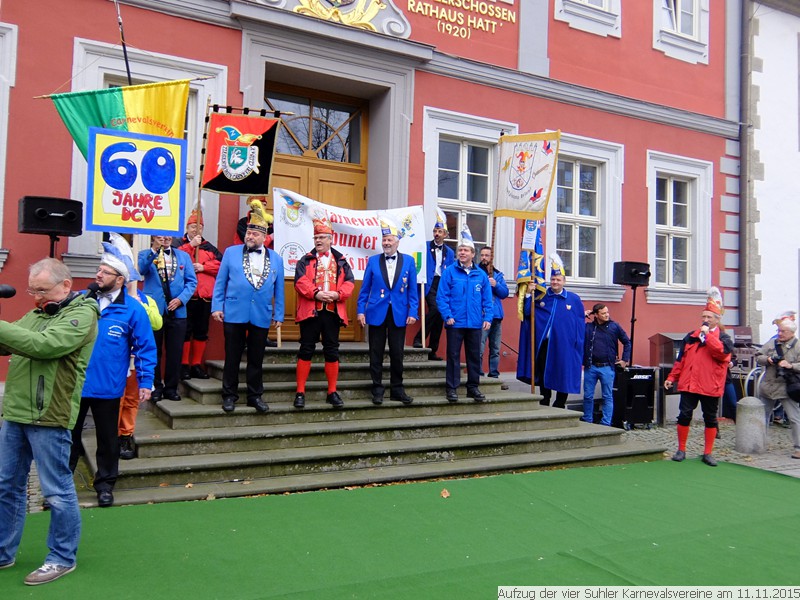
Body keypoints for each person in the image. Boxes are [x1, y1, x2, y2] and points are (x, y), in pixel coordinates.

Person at [0, 258, 98, 586]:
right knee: (6, 485)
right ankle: (3, 552)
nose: (36, 297)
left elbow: (44, 346)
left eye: (41, 290)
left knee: (56, 491)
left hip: (49, 414)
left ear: (66, 285)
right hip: (16, 411)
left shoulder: (82, 314)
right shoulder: (39, 312)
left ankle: (62, 557)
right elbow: (9, 341)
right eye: (32, 290)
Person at [69, 242, 157, 508]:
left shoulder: (133, 309)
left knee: (108, 440)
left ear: (120, 279)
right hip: (73, 384)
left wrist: (146, 381)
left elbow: (145, 347)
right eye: (99, 269)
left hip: (108, 387)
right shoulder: (80, 300)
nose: (98, 275)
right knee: (67, 439)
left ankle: (105, 485)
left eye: (105, 272)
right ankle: (61, 486)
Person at [212, 199, 285, 414]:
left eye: (254, 234)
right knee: (232, 357)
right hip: (234, 311)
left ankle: (255, 396)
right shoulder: (231, 252)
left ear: (264, 237)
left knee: (256, 358)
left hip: (261, 314)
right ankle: (229, 395)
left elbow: (279, 289)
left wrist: (279, 314)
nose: (249, 236)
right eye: (248, 233)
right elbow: (220, 282)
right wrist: (217, 306)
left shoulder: (277, 259)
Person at [664, 286, 732, 467]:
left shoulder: (724, 339)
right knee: (684, 415)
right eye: (704, 317)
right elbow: (680, 360)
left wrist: (708, 336)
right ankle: (681, 449)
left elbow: (720, 354)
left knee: (710, 419)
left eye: (709, 317)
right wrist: (672, 377)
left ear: (717, 319)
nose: (706, 320)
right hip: (689, 384)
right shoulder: (691, 337)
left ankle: (708, 453)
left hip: (710, 385)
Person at [293, 215, 355, 409]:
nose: (318, 241)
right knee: (306, 349)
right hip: (311, 311)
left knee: (332, 350)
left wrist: (338, 295)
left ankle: (332, 392)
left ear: (330, 239)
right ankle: (300, 392)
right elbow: (299, 281)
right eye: (316, 237)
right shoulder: (305, 260)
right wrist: (316, 294)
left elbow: (349, 282)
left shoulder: (342, 261)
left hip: (332, 312)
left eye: (321, 237)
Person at [357, 217, 419, 405]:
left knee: (397, 353)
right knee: (375, 353)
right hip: (376, 312)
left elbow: (413, 290)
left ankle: (397, 389)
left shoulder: (409, 261)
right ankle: (377, 389)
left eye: (389, 240)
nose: (386, 243)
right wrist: (360, 311)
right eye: (384, 240)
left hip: (399, 313)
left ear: (397, 242)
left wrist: (413, 312)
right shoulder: (373, 261)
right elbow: (365, 289)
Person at [436, 224, 492, 403]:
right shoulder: (449, 272)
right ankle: (452, 388)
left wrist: (488, 317)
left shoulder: (480, 275)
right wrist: (447, 316)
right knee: (453, 356)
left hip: (475, 323)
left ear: (473, 254)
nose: (462, 253)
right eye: (460, 250)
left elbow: (487, 299)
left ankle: (473, 387)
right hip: (455, 322)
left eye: (465, 250)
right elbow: (441, 297)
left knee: (474, 356)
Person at [138, 234, 197, 402]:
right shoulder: (145, 254)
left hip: (177, 312)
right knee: (153, 351)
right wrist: (154, 251)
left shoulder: (183, 256)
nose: (165, 238)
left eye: (168, 235)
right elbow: (141, 270)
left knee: (175, 352)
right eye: (161, 236)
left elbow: (191, 282)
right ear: (154, 237)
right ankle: (155, 387)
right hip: (155, 311)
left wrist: (181, 299)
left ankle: (171, 388)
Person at [523, 254, 585, 408]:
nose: (555, 282)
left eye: (558, 279)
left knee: (563, 373)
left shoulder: (574, 299)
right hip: (546, 344)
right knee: (545, 372)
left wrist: (578, 344)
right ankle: (544, 400)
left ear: (564, 281)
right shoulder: (542, 295)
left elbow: (580, 324)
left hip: (565, 346)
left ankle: (560, 403)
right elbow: (527, 312)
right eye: (552, 279)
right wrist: (529, 294)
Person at [178, 205, 222, 380]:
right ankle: (183, 365)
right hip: (186, 296)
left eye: (199, 227)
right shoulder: (179, 245)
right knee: (185, 331)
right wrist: (190, 246)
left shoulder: (210, 248)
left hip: (205, 296)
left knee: (201, 331)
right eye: (193, 226)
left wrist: (204, 267)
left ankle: (196, 364)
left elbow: (221, 265)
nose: (196, 229)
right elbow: (177, 260)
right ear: (187, 228)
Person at [412, 207, 455, 361]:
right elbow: (417, 260)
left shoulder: (450, 252)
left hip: (442, 284)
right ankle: (418, 338)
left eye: (440, 231)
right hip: (428, 282)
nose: (437, 234)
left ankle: (432, 350)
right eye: (435, 231)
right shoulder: (424, 246)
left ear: (445, 234)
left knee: (440, 315)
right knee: (436, 308)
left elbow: (450, 270)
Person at [755, 318, 800, 456]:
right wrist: (767, 359)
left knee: (794, 418)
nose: (779, 333)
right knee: (762, 416)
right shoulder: (772, 343)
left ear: (792, 332)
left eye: (783, 331)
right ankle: (759, 443)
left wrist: (791, 366)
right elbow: (758, 356)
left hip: (788, 388)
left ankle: (798, 448)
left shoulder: (798, 346)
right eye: (779, 330)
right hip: (768, 386)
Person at [581, 303, 631, 426]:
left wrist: (625, 360)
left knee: (607, 396)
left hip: (607, 367)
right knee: (588, 396)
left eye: (607, 312)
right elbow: (574, 328)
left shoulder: (614, 326)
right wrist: (582, 316)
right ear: (596, 315)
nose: (607, 315)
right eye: (603, 313)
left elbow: (627, 342)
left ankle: (606, 422)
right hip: (591, 366)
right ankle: (587, 419)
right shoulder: (588, 327)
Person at [477, 246, 509, 380]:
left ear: (491, 257)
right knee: (479, 347)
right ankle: (478, 373)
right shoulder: (476, 272)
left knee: (495, 348)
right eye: (482, 255)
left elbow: (505, 293)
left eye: (487, 255)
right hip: (482, 315)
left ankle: (494, 373)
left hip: (496, 316)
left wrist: (496, 284)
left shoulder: (497, 274)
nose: (484, 258)